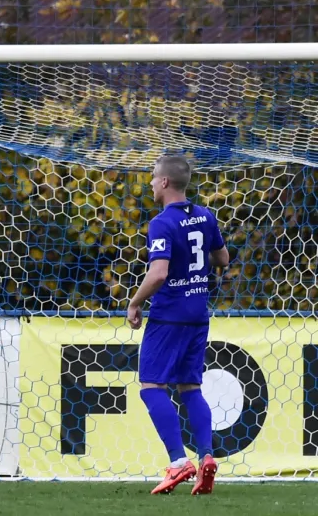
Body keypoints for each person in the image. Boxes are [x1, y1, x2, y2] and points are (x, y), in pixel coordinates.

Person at [127, 154, 230, 496]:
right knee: (191, 388)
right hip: (198, 314)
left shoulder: (161, 222)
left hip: (169, 314)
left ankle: (177, 461)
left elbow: (158, 273)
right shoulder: (206, 216)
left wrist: (135, 301)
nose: (152, 183)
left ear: (166, 182)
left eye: (154, 178)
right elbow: (222, 259)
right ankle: (207, 457)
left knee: (151, 386)